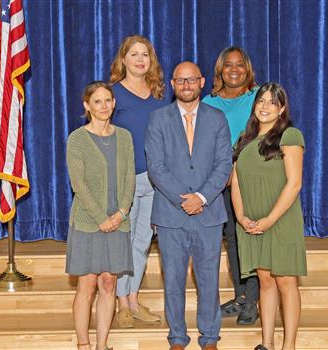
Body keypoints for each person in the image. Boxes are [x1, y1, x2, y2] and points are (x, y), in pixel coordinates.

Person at [145, 62, 232, 350]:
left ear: (202, 82)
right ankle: (177, 339)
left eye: (191, 80)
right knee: (173, 281)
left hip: (208, 213)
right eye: (180, 81)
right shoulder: (158, 119)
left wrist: (202, 198)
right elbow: (156, 167)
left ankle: (209, 338)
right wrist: (184, 198)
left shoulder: (217, 118)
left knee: (209, 281)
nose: (186, 85)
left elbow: (223, 164)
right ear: (172, 84)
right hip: (171, 214)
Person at [231, 82, 307, 350]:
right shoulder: (244, 138)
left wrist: (270, 220)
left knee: (286, 281)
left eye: (271, 102)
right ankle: (267, 344)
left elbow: (295, 183)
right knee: (265, 281)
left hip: (280, 220)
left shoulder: (290, 136)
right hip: (252, 222)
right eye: (260, 101)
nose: (264, 107)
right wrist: (241, 217)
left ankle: (289, 346)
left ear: (282, 108)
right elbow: (236, 182)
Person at [66, 81, 135, 350]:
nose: (104, 106)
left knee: (109, 283)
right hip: (87, 223)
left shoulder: (125, 137)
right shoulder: (77, 139)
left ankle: (102, 344)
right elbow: (78, 184)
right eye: (97, 101)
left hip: (118, 222)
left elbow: (130, 177)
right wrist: (100, 218)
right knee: (88, 285)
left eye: (108, 100)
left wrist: (121, 213)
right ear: (87, 106)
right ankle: (83, 344)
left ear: (114, 103)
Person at [109, 34, 167, 328]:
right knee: (123, 242)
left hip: (153, 181)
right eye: (134, 54)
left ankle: (133, 299)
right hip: (123, 181)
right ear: (124, 59)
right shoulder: (112, 93)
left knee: (143, 241)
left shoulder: (159, 94)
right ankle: (121, 304)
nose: (140, 59)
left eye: (145, 54)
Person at [202, 46, 260, 325]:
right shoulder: (209, 103)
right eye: (228, 65)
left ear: (247, 69)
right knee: (233, 240)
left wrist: (236, 168)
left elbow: (266, 138)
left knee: (252, 236)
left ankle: (253, 299)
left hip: (252, 180)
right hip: (219, 182)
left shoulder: (258, 98)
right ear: (220, 71)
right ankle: (240, 296)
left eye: (239, 65)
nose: (234, 70)